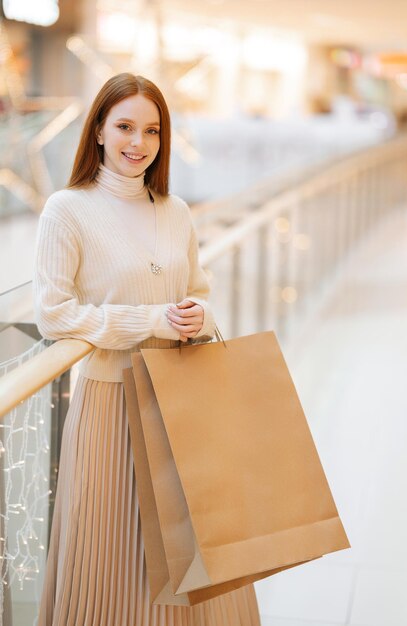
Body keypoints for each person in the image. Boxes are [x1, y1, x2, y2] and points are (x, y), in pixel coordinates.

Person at [33, 72, 261, 625]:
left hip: (182, 398)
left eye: (152, 130)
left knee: (193, 545)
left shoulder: (175, 209)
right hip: (111, 404)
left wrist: (197, 315)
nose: (139, 143)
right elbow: (53, 314)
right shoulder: (67, 209)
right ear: (100, 132)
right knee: (112, 548)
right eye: (126, 127)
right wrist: (150, 319)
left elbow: (198, 293)